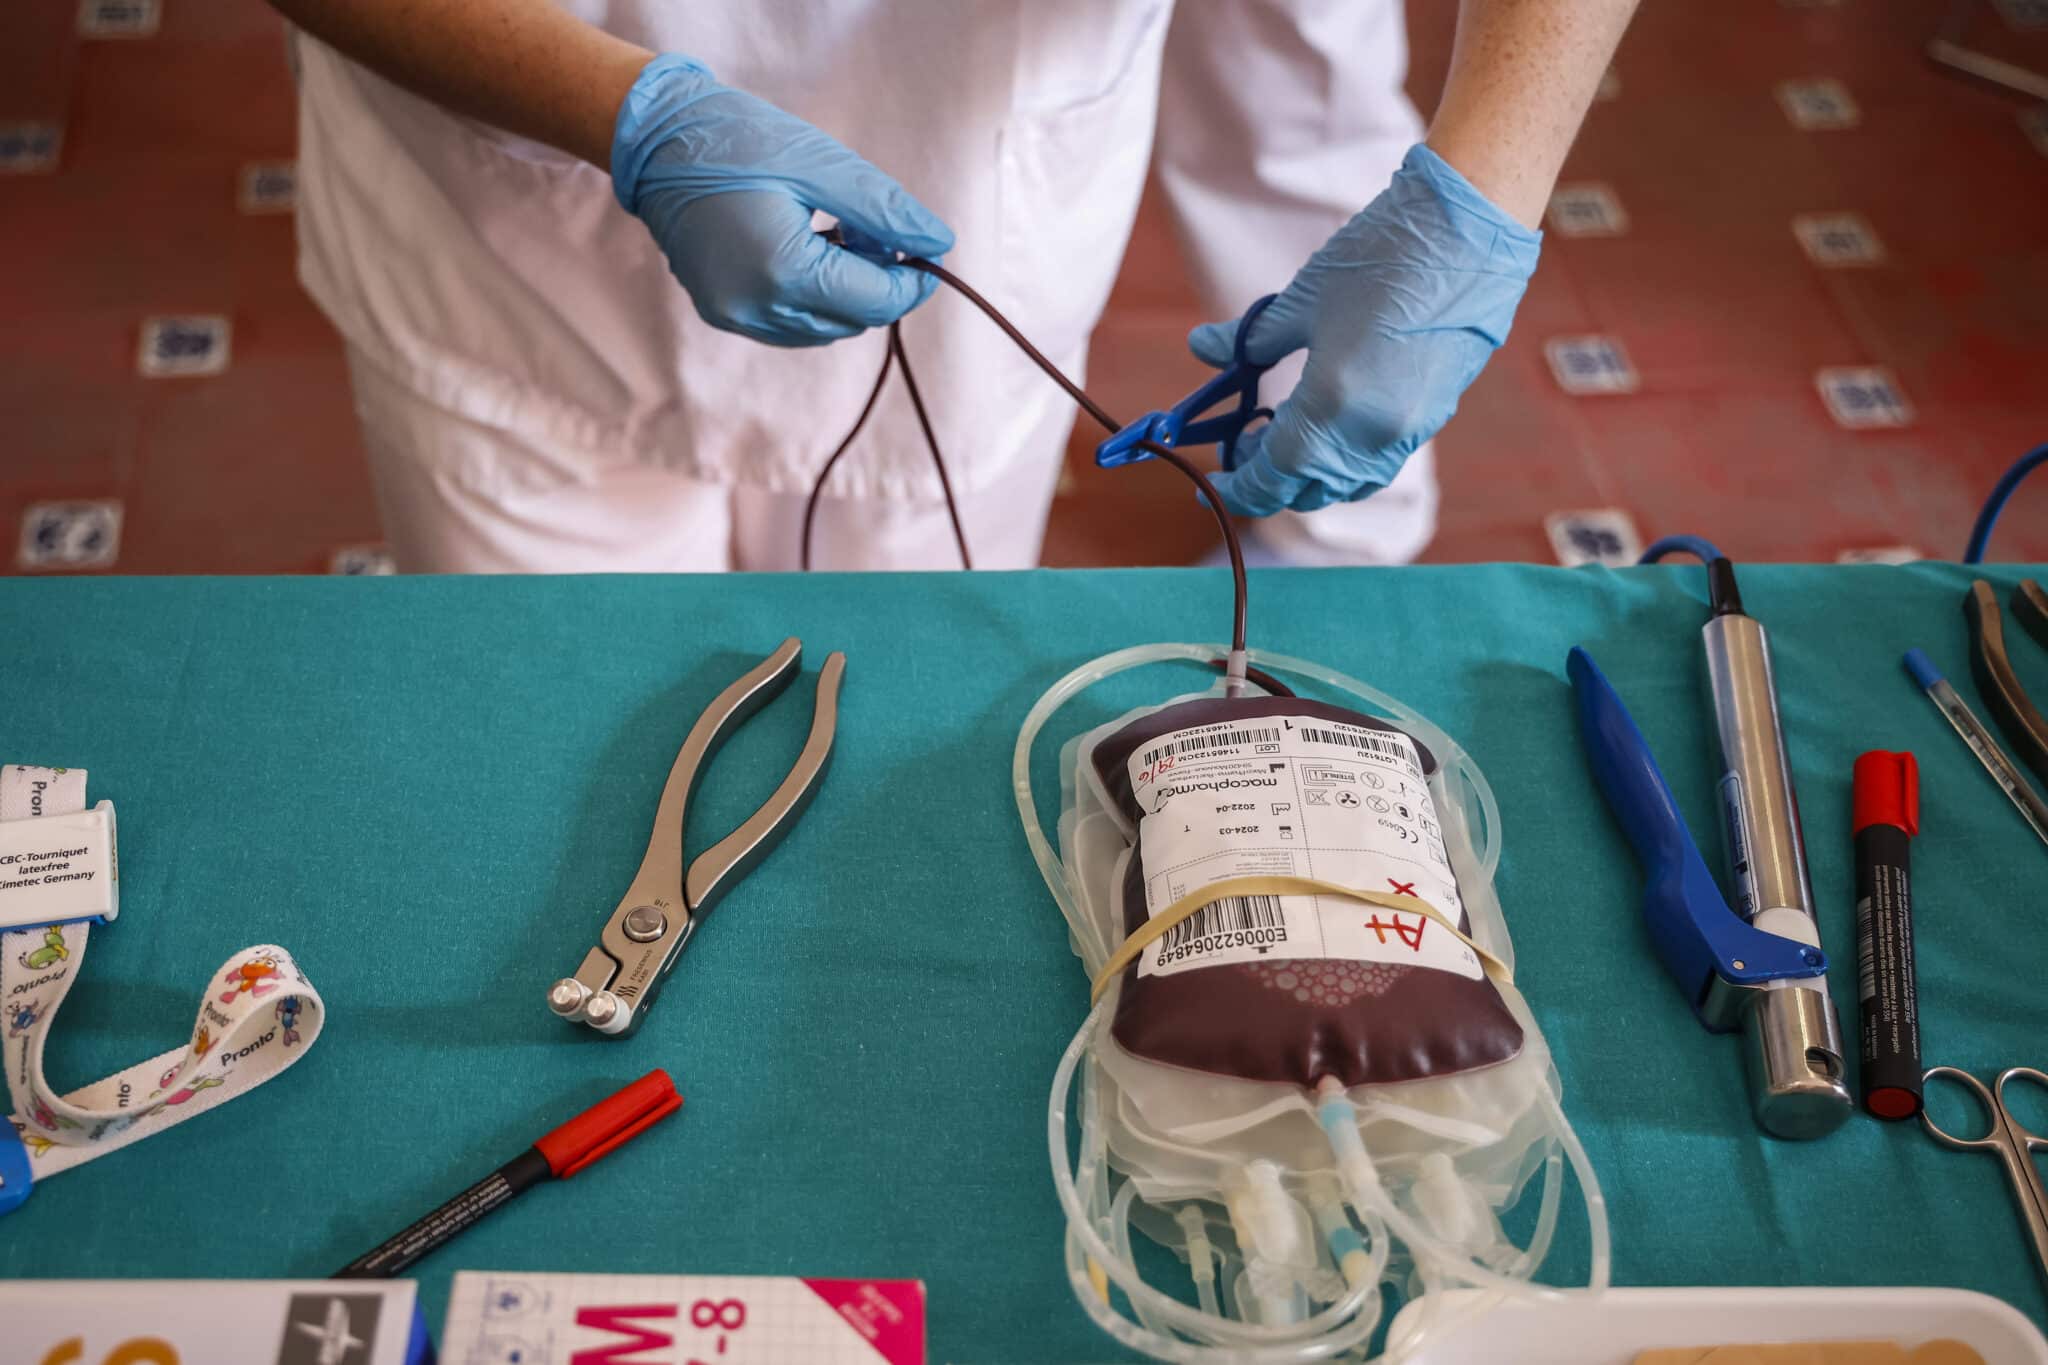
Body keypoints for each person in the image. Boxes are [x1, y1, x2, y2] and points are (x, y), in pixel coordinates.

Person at [270, 0, 1638, 573]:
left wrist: (1479, 204)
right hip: (505, 253)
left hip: (986, 185)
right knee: (566, 738)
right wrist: (627, 116)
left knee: (902, 728)